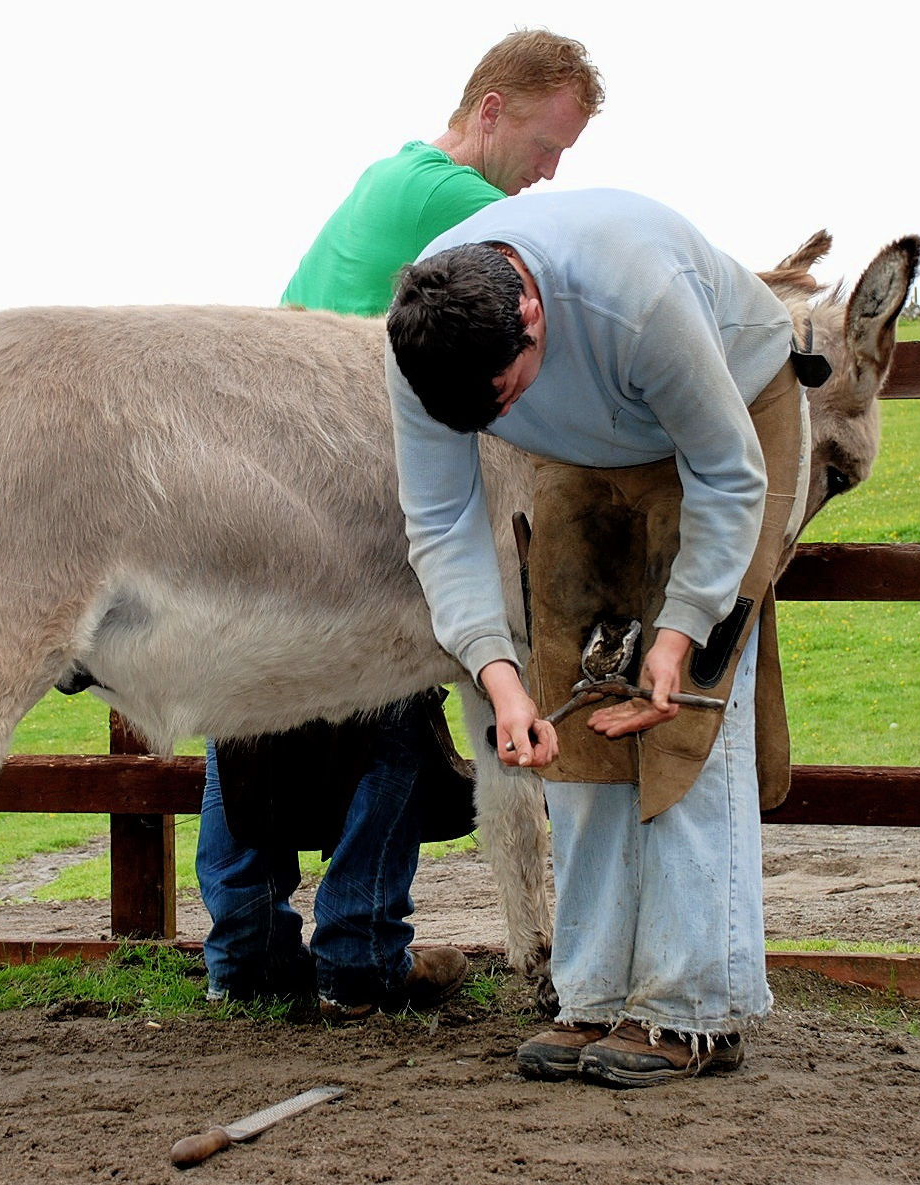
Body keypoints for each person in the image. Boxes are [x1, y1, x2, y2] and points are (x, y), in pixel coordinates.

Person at [195, 29, 604, 1023]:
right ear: (490, 112)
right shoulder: (443, 196)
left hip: (270, 478)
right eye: (547, 147)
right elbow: (586, 274)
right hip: (352, 487)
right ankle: (360, 955)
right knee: (397, 703)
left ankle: (245, 950)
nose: (547, 177)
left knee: (247, 712)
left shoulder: (387, 183)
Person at [384, 188, 805, 1085]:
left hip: (729, 419)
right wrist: (500, 680)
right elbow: (440, 522)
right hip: (585, 448)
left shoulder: (636, 297)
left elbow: (728, 475)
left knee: (680, 714)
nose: (485, 422)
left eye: (499, 398)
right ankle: (597, 994)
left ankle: (694, 1010)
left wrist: (682, 629)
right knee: (574, 710)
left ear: (531, 313)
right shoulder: (428, 346)